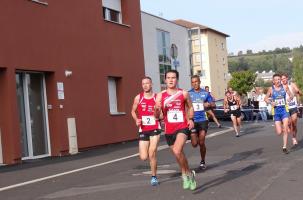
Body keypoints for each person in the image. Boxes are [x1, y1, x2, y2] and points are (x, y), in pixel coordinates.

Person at [154, 70, 197, 191]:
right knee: (178, 155)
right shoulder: (160, 95)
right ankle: (187, 174)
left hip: (182, 126)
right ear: (165, 80)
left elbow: (190, 106)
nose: (171, 80)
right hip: (169, 130)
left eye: (173, 77)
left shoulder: (183, 93)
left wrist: (191, 119)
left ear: (177, 79)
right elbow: (157, 116)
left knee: (178, 151)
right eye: (168, 78)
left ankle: (186, 174)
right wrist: (157, 110)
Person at [131, 77, 161, 186]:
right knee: (143, 157)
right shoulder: (138, 98)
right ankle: (150, 154)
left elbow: (161, 114)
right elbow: (133, 111)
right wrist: (136, 120)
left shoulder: (157, 98)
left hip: (155, 128)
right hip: (143, 129)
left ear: (151, 84)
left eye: (147, 83)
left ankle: (154, 177)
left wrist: (157, 113)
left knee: (152, 153)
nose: (145, 85)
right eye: (143, 83)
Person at [189, 77, 214, 170]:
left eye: (196, 82)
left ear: (199, 82)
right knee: (195, 144)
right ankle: (195, 141)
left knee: (202, 141)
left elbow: (213, 104)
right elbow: (185, 106)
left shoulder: (205, 93)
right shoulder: (188, 93)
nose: (195, 83)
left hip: (203, 119)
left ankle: (202, 161)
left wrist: (209, 104)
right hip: (193, 120)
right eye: (193, 82)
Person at [265, 74, 293, 154]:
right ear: (273, 81)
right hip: (276, 112)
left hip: (284, 110)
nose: (278, 81)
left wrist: (290, 97)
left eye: (279, 79)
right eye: (276, 80)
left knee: (285, 130)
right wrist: (271, 102)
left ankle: (284, 147)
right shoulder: (271, 89)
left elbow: (291, 95)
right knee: (279, 132)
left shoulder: (284, 87)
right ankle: (284, 127)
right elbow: (265, 98)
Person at [281, 73, 302, 146]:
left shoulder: (292, 84)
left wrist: (298, 92)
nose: (283, 80)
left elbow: (299, 92)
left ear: (287, 78)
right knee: (289, 123)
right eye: (282, 79)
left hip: (293, 106)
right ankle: (291, 130)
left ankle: (294, 137)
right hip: (285, 108)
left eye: (284, 78)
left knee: (294, 122)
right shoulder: (280, 87)